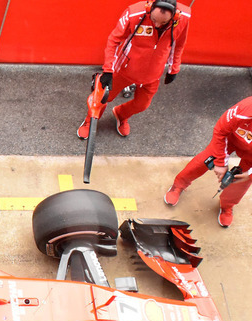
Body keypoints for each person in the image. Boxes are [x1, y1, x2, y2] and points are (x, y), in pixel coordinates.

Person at [77, 0, 191, 139]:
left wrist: (174, 69)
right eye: (154, 20)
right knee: (100, 98)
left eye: (163, 23)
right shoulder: (133, 14)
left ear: (175, 16)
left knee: (141, 105)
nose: (156, 25)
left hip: (153, 74)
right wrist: (108, 70)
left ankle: (120, 114)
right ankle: (89, 121)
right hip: (125, 69)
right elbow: (114, 41)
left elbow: (178, 45)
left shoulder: (184, 18)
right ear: (149, 8)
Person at [164, 96, 252, 227]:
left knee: (243, 180)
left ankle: (227, 205)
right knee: (204, 160)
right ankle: (178, 185)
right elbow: (220, 131)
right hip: (229, 138)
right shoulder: (245, 109)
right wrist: (221, 163)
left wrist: (249, 171)